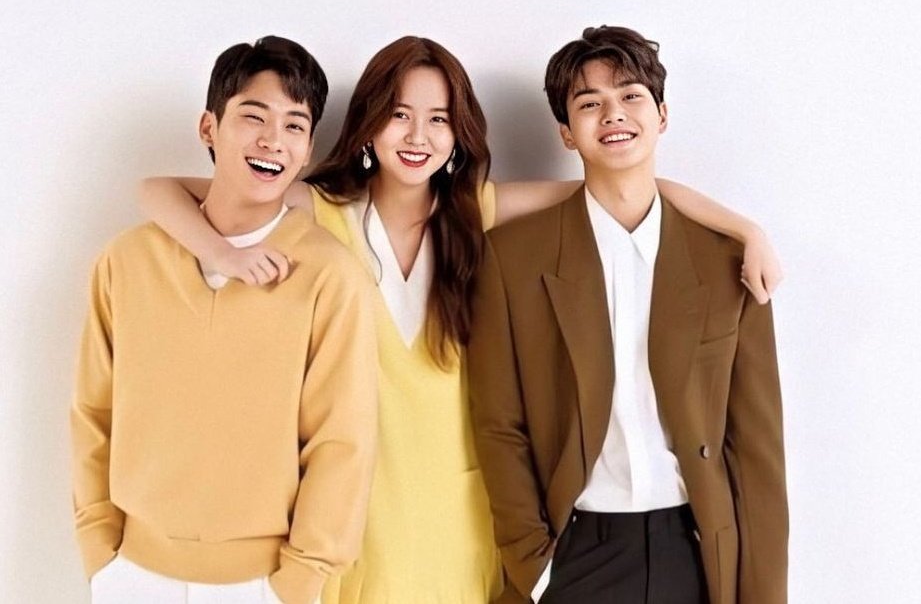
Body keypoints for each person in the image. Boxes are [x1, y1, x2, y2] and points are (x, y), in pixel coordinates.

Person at [137, 35, 783, 603]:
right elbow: (157, 191)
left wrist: (745, 229)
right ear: (368, 125)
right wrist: (220, 253)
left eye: (439, 119)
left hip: (457, 520)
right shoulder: (321, 212)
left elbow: (615, 184)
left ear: (457, 135)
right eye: (399, 115)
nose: (418, 137)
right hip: (353, 516)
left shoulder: (475, 213)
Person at [467, 25, 788, 604]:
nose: (613, 113)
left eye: (631, 96)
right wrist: (533, 564)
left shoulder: (728, 262)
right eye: (589, 103)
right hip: (572, 551)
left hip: (696, 550)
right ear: (567, 133)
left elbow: (757, 448)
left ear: (661, 115)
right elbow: (499, 424)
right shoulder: (512, 259)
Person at [71, 36, 378, 604]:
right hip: (132, 573)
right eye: (253, 116)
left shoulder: (331, 277)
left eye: (294, 125)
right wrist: (100, 552)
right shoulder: (126, 260)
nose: (273, 140)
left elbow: (342, 443)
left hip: (263, 584)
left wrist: (299, 581)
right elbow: (93, 412)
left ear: (308, 150)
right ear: (208, 128)